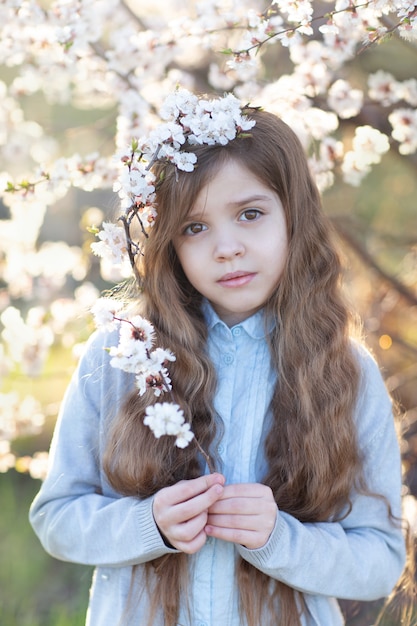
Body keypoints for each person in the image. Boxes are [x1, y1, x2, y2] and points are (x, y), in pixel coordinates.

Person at [30, 92, 410, 626]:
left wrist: (280, 539)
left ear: (293, 217)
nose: (226, 247)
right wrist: (150, 525)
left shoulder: (344, 369)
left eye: (250, 214)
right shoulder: (123, 354)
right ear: (170, 243)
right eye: (195, 227)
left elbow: (379, 560)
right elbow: (57, 518)